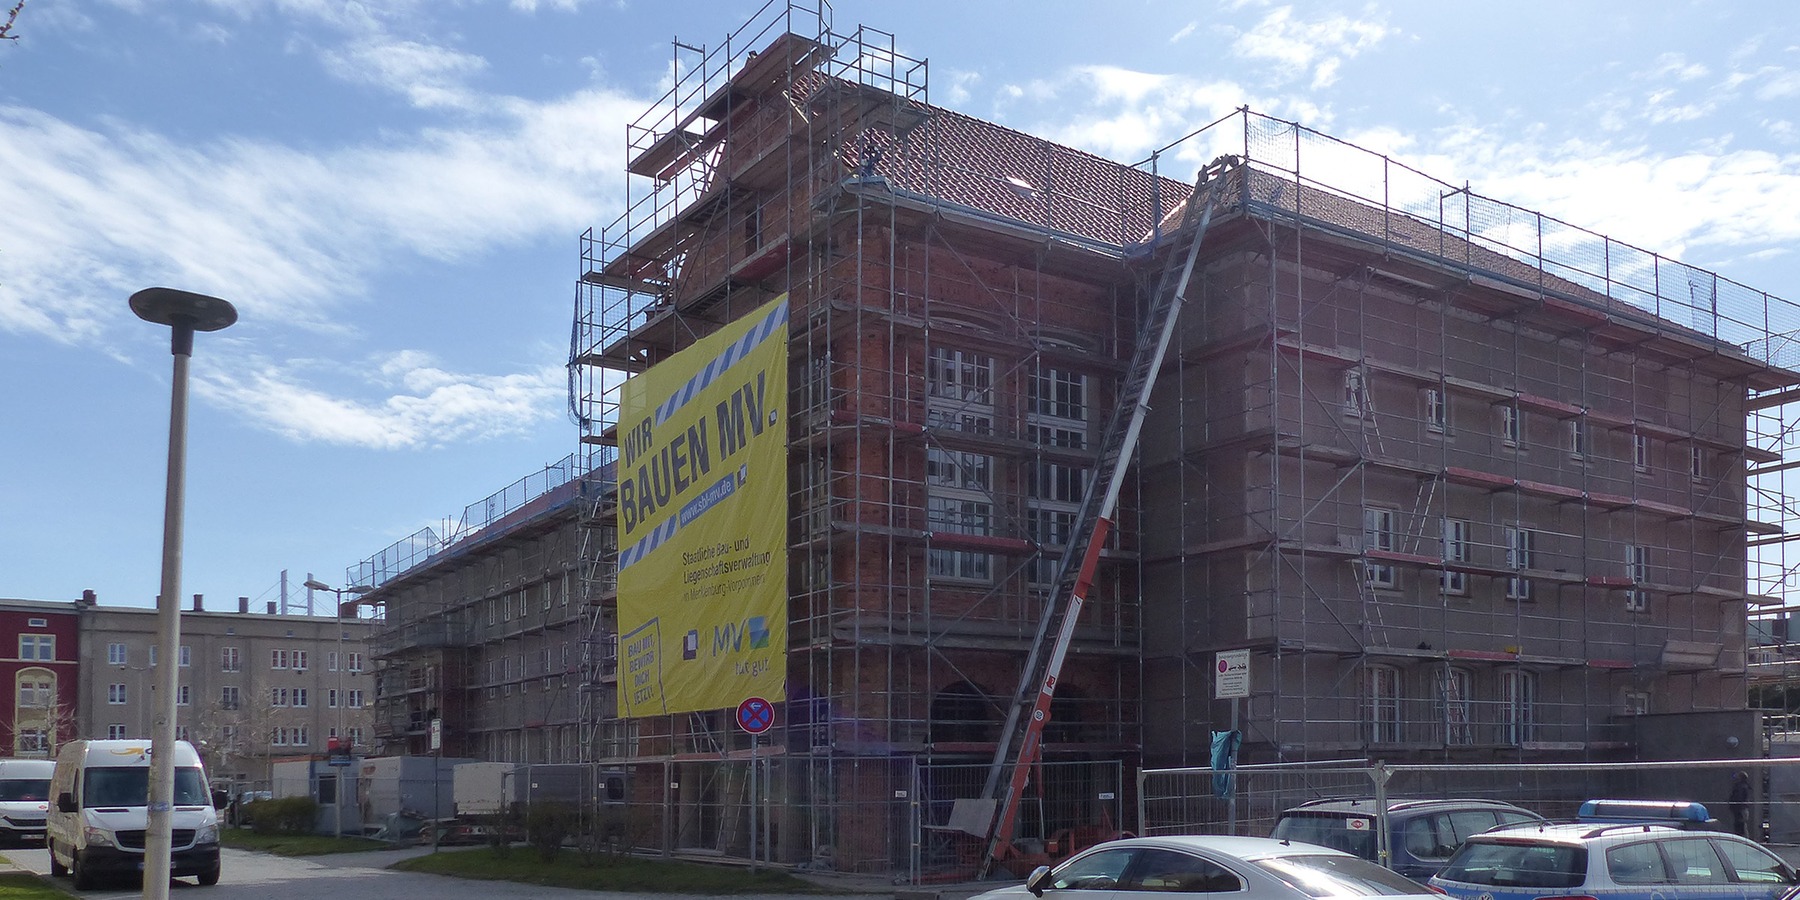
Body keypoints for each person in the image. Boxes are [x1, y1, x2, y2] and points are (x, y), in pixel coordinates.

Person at [1729, 770, 1751, 837]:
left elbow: (1738, 797)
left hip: (1740, 809)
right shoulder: (1745, 786)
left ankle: (1743, 840)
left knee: (1741, 825)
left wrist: (1734, 805)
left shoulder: (1741, 787)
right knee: (1742, 825)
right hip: (1742, 808)